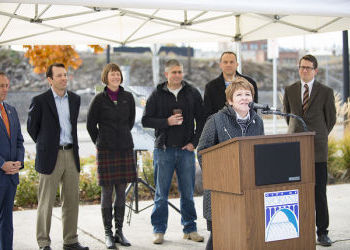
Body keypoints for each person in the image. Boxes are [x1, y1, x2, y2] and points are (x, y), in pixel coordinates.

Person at [142, 59, 206, 245]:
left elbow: (202, 120)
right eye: (173, 72)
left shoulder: (192, 92)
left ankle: (190, 229)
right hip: (163, 150)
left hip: (186, 151)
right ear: (166, 74)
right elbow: (146, 120)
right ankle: (159, 230)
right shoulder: (157, 93)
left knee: (187, 192)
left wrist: (194, 143)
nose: (177, 75)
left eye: (179, 72)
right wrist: (166, 122)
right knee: (161, 194)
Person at [197, 77, 264, 250]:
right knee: (218, 239)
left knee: (244, 236)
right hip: (221, 191)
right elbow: (203, 152)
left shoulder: (258, 121)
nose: (244, 98)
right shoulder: (216, 120)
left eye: (248, 94)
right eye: (239, 94)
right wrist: (220, 177)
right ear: (230, 100)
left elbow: (260, 152)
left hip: (248, 190)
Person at [27, 63, 88, 250]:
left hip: (71, 154)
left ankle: (70, 241)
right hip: (49, 156)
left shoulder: (75, 99)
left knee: (71, 201)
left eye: (65, 75)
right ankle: (43, 242)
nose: (64, 78)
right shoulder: (39, 100)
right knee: (46, 202)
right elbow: (32, 128)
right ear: (50, 79)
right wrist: (46, 144)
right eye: (59, 75)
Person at [283, 54, 336, 247]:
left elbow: (330, 120)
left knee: (319, 193)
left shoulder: (326, 91)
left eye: (308, 67)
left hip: (317, 150)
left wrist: (317, 135)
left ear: (315, 70)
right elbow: (289, 116)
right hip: (295, 148)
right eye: (301, 67)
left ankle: (322, 232)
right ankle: (297, 231)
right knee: (296, 192)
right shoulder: (290, 90)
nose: (304, 70)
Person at [87, 63, 136, 249]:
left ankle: (119, 232)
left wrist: (120, 136)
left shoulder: (128, 97)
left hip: (124, 147)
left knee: (121, 191)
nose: (115, 77)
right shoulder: (98, 99)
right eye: (112, 74)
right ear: (105, 77)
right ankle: (108, 233)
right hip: (106, 150)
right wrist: (101, 141)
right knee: (107, 192)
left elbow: (130, 122)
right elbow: (91, 125)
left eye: (118, 74)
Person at [0, 72, 24, 250]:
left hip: (11, 178)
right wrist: (1, 164)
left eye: (7, 85)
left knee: (7, 223)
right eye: (1, 86)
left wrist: (18, 162)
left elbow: (19, 141)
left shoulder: (11, 110)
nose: (5, 89)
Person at [204, 51, 258, 117]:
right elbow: (208, 113)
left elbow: (254, 108)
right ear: (220, 64)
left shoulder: (250, 83)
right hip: (219, 125)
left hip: (245, 124)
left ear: (237, 64)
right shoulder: (210, 87)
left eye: (231, 62)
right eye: (225, 62)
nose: (228, 65)